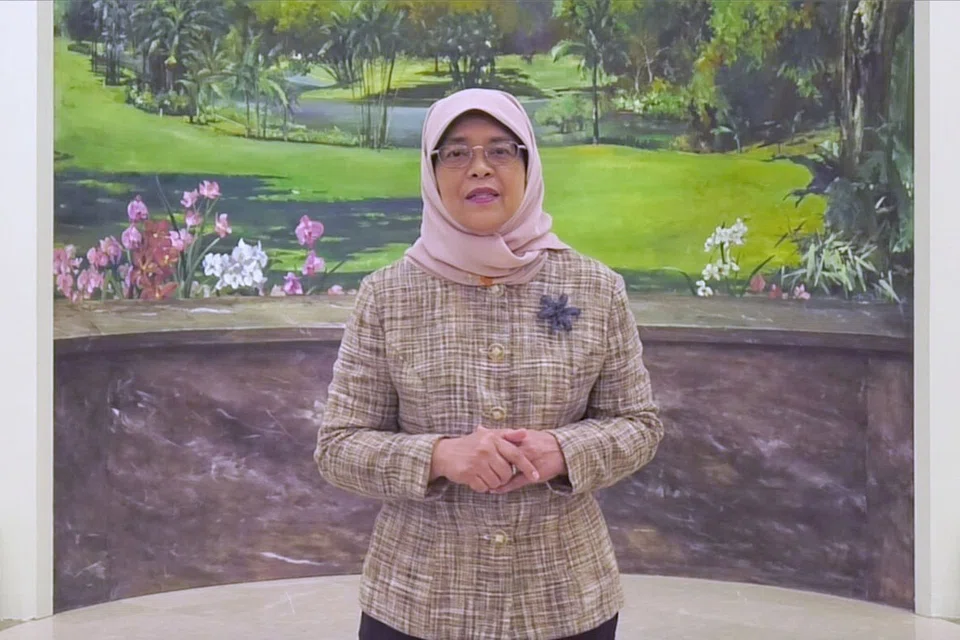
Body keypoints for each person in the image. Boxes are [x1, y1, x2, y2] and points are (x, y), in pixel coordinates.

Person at [314, 88, 664, 640]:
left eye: (500, 150)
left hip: (563, 602)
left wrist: (563, 451)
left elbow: (639, 425)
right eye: (456, 152)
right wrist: (440, 456)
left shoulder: (595, 288)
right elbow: (338, 447)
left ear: (528, 164)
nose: (479, 167)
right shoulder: (388, 296)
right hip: (418, 604)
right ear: (432, 171)